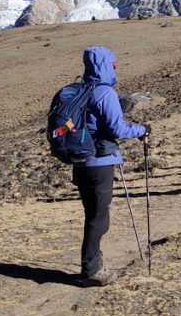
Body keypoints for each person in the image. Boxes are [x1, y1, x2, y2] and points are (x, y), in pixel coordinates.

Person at [55, 47, 149, 286]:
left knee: (92, 215)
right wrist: (143, 130)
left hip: (80, 161)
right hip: (100, 163)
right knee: (99, 218)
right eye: (114, 65)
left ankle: (92, 263)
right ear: (107, 66)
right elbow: (118, 129)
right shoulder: (105, 93)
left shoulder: (78, 91)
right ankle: (92, 269)